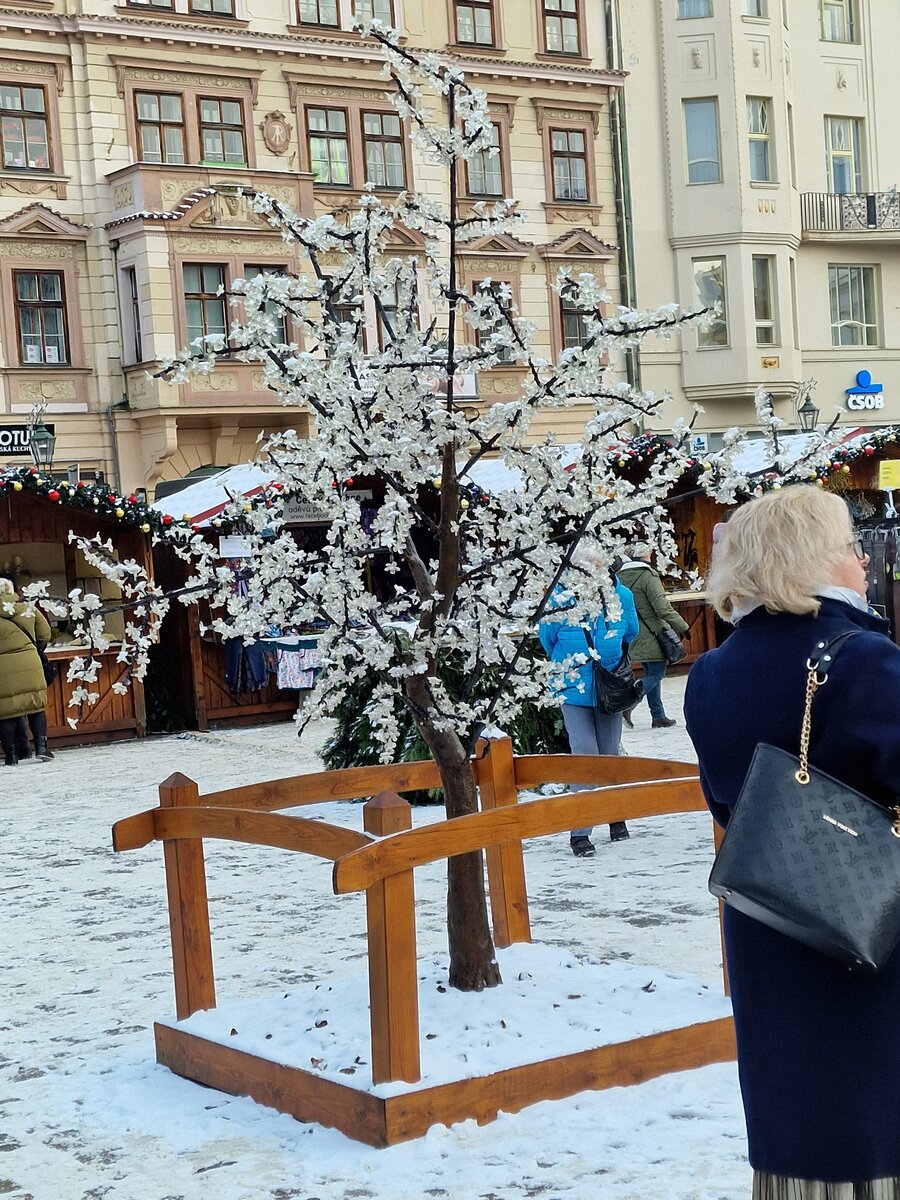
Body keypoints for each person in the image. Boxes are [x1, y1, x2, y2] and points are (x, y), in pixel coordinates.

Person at [684, 485, 900, 1197]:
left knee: (800, 1133)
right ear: (809, 558)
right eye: (846, 545)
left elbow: (726, 800)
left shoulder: (713, 672)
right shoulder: (864, 660)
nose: (861, 559)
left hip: (771, 921)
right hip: (876, 928)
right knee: (876, 1125)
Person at [538, 544, 639, 857]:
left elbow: (630, 632)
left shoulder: (622, 597)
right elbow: (547, 638)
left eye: (596, 566)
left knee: (608, 756)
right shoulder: (558, 599)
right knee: (585, 755)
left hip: (609, 686)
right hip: (572, 686)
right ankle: (579, 832)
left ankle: (614, 816)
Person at [617, 544, 688, 728]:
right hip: (652, 632)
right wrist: (681, 625)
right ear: (644, 556)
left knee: (652, 672)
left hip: (632, 633)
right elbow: (662, 607)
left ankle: (658, 715)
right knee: (656, 673)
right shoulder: (648, 575)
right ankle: (631, 700)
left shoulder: (619, 577)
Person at [0, 577, 53, 766]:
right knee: (36, 706)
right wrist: (33, 649)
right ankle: (41, 747)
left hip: (2, 670)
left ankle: (12, 756)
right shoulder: (28, 609)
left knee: (5, 711)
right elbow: (45, 634)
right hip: (30, 662)